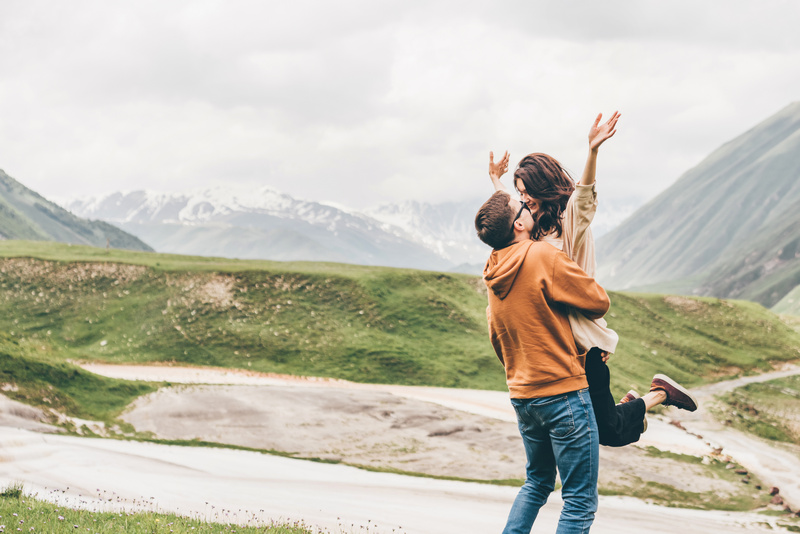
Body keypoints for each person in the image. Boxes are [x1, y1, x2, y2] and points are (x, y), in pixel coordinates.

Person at [487, 112, 698, 448]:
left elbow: (582, 198)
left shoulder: (567, 227)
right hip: (559, 349)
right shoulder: (530, 229)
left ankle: (659, 394)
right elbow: (509, 218)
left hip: (583, 346)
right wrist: (496, 182)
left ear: (543, 188)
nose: (523, 198)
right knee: (604, 427)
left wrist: (593, 151)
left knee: (609, 432)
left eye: (527, 191)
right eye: (519, 192)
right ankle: (639, 402)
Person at [475, 190, 607, 533]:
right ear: (519, 223)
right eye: (524, 206)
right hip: (564, 393)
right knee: (579, 501)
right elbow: (598, 301)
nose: (530, 206)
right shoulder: (542, 255)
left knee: (536, 484)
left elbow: (495, 335)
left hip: (522, 395)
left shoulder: (492, 268)